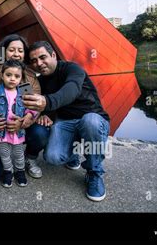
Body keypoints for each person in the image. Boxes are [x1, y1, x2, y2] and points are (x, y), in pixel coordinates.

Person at [23, 41, 110, 202]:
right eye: (34, 61)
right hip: (66, 123)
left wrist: (47, 102)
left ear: (53, 55)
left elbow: (70, 90)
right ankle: (73, 154)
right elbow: (32, 101)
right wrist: (44, 113)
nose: (39, 64)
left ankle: (95, 173)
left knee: (90, 122)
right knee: (52, 157)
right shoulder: (40, 81)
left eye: (43, 57)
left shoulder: (72, 69)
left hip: (92, 118)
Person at [0, 34, 49, 185]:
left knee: (41, 132)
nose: (16, 53)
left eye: (20, 50)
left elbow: (33, 106)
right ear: (4, 52)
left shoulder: (26, 79)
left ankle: (28, 158)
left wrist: (25, 121)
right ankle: (6, 163)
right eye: (12, 50)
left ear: (24, 54)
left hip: (20, 130)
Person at [0, 60, 37, 188]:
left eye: (17, 76)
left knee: (18, 153)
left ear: (21, 78)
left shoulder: (25, 90)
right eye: (8, 75)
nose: (12, 79)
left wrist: (29, 115)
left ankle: (20, 171)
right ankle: (8, 171)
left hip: (18, 131)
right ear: (2, 75)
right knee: (4, 154)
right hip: (1, 132)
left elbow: (32, 107)